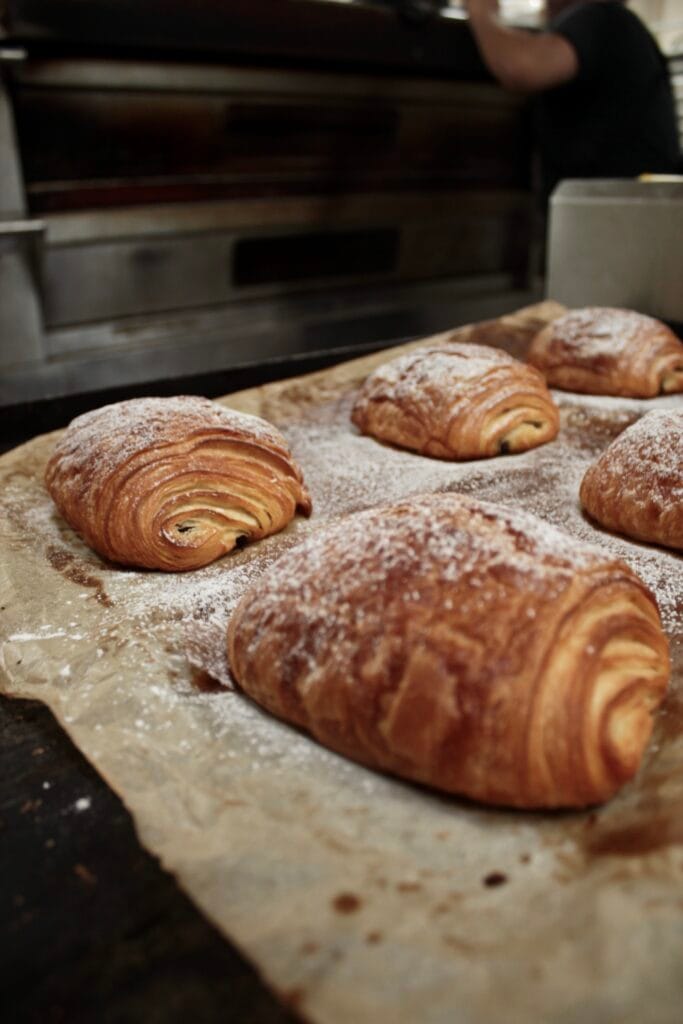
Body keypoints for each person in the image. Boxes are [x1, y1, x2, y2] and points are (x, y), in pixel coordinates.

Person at [465, 0, 681, 199]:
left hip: (615, 225)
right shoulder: (621, 28)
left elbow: (520, 66)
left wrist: (481, 10)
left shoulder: (601, 19)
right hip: (623, 222)